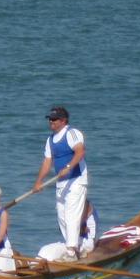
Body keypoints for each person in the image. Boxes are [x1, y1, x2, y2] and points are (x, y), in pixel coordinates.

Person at [32, 106, 89, 254]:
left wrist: (69, 166)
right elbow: (47, 162)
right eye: (50, 119)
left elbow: (80, 151)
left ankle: (71, 249)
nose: (51, 121)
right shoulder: (50, 140)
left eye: (54, 119)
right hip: (61, 182)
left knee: (71, 214)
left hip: (76, 180)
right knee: (61, 215)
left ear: (63, 120)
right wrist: (38, 182)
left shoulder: (72, 133)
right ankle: (73, 246)